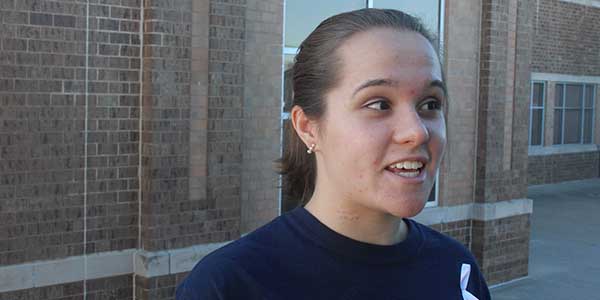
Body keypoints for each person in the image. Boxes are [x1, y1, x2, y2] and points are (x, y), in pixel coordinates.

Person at [176, 8, 491, 300]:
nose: (417, 131)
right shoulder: (230, 284)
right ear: (308, 127)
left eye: (430, 104)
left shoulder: (456, 269)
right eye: (379, 104)